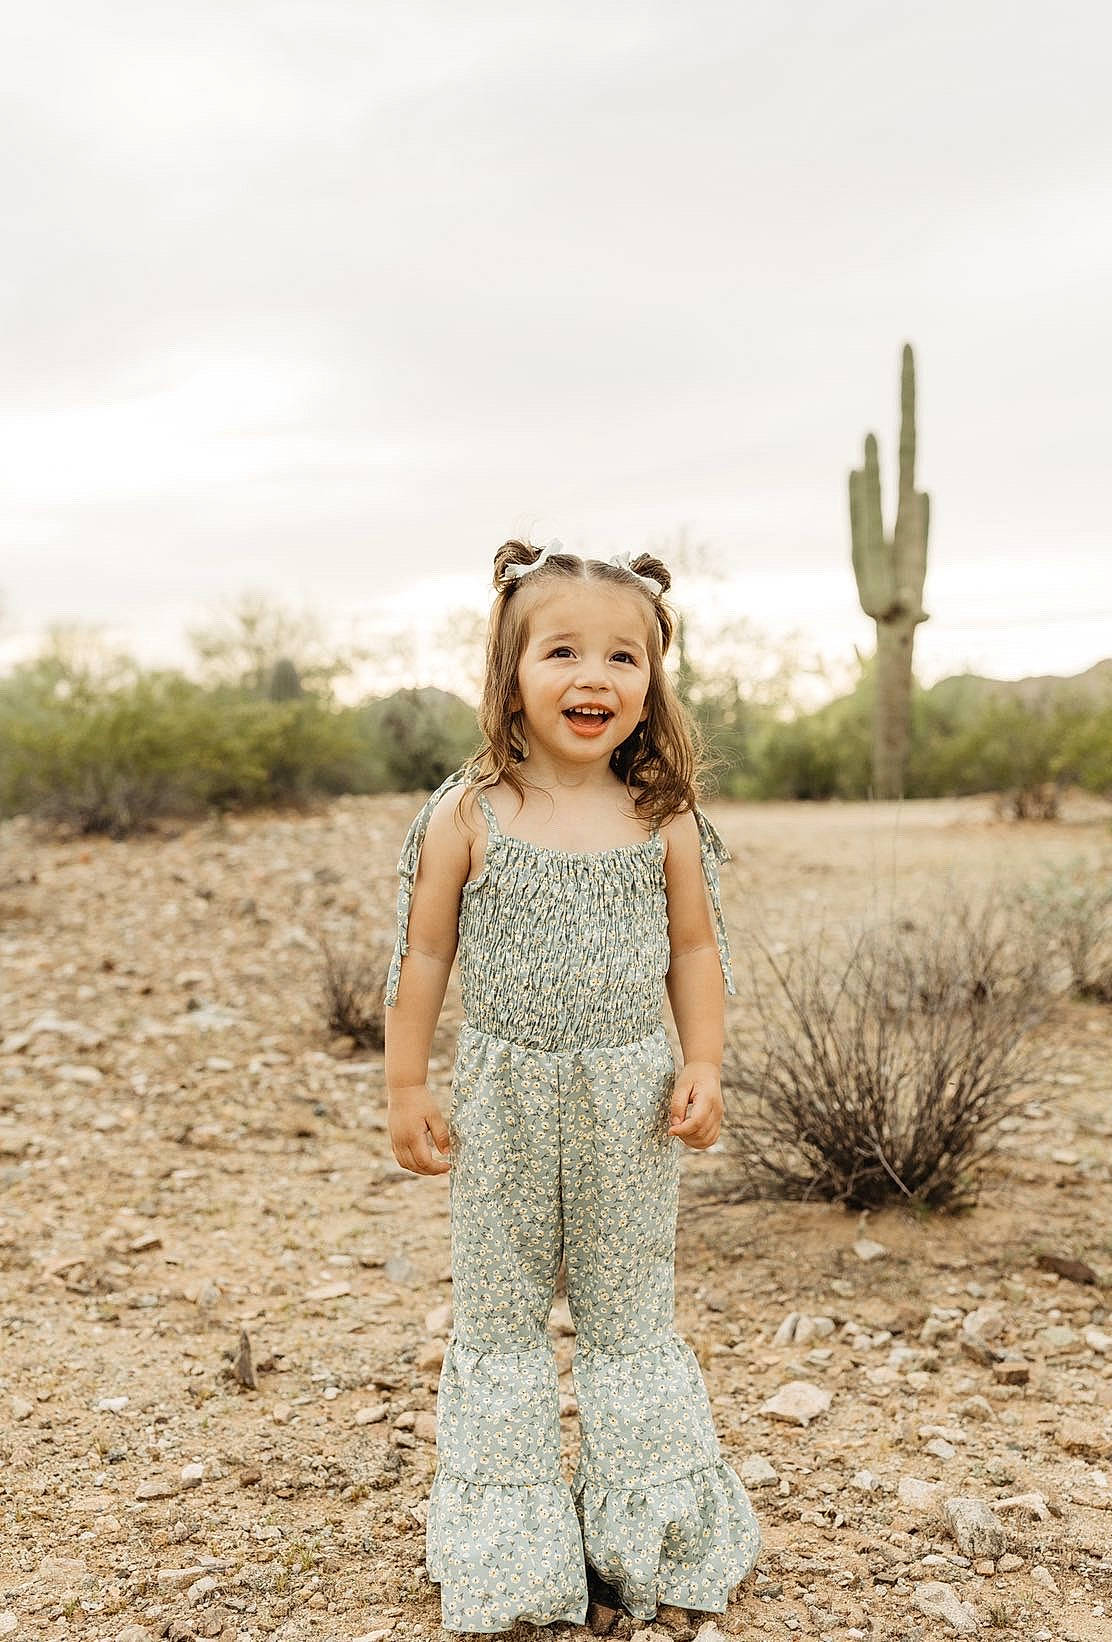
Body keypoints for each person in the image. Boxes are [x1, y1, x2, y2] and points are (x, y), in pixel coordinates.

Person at [383, 538, 761, 1634]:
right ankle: (509, 1549)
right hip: (501, 1093)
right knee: (499, 1319)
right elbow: (422, 959)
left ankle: (648, 1534)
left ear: (654, 681)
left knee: (628, 1314)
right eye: (562, 652)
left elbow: (696, 951)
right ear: (509, 672)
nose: (593, 679)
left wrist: (701, 1062)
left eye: (622, 659)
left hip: (629, 1099)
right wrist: (408, 1085)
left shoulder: (663, 814)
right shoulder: (468, 813)